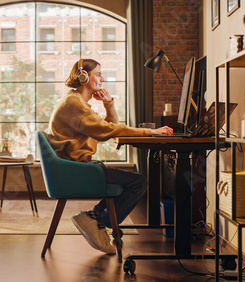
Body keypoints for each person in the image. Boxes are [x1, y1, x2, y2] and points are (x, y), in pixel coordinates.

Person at [46, 58, 173, 254]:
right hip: (74, 170)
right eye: (98, 73)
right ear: (83, 76)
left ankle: (94, 218)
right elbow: (110, 130)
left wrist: (108, 104)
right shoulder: (75, 104)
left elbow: (110, 129)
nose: (102, 79)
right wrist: (151, 132)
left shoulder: (76, 101)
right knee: (138, 182)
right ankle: (99, 221)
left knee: (128, 181)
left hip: (74, 167)